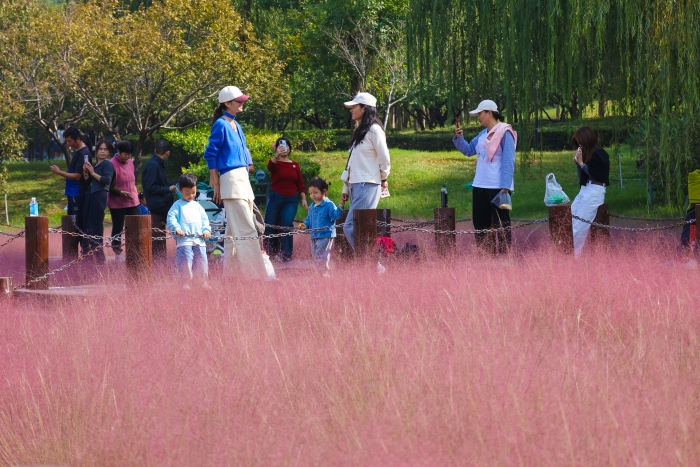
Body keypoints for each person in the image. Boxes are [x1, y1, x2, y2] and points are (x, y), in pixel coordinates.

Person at [203, 85, 268, 280]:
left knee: (233, 232)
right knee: (247, 227)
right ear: (227, 103)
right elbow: (210, 154)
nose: (242, 103)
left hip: (243, 179)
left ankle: (230, 277)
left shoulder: (236, 124)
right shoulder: (221, 124)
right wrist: (215, 182)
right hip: (230, 179)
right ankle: (257, 277)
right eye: (238, 101)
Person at [453, 99, 516, 255]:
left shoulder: (505, 132)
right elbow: (468, 150)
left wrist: (505, 186)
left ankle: (503, 258)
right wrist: (459, 138)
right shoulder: (482, 134)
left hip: (498, 187)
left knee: (501, 224)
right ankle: (485, 258)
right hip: (479, 185)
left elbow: (509, 160)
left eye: (480, 113)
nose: (478, 117)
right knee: (481, 224)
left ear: (489, 112)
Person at [340, 92, 391, 252]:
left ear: (364, 108)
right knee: (358, 228)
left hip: (368, 185)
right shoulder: (361, 131)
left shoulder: (374, 130)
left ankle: (373, 265)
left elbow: (385, 158)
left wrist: (382, 178)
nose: (351, 110)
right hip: (357, 185)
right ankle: (372, 265)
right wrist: (346, 188)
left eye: (354, 106)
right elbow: (352, 163)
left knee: (351, 228)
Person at [264, 137, 308, 262]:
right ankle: (269, 253)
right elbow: (270, 167)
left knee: (287, 224)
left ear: (290, 148)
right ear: (277, 148)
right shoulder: (275, 163)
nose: (284, 148)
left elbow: (300, 183)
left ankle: (286, 254)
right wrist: (276, 155)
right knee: (270, 224)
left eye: (287, 146)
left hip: (291, 199)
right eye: (281, 146)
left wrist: (304, 199)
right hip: (275, 197)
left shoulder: (295, 165)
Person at [50, 127, 93, 252]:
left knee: (77, 223)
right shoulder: (77, 151)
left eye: (70, 141)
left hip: (77, 192)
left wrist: (59, 172)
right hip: (72, 192)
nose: (68, 144)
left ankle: (85, 249)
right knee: (72, 222)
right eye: (67, 141)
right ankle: (75, 251)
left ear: (78, 139)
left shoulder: (84, 153)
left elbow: (78, 176)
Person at [571, 126, 610, 258]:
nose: (580, 146)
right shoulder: (588, 154)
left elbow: (596, 174)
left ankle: (574, 257)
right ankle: (570, 254)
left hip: (595, 190)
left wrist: (582, 164)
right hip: (585, 189)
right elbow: (582, 177)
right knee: (571, 218)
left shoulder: (601, 155)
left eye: (581, 142)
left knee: (580, 225)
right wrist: (578, 164)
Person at [167, 173, 211, 287]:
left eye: (193, 192)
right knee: (185, 262)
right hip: (184, 240)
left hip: (199, 240)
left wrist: (206, 230)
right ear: (180, 190)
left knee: (202, 261)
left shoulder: (198, 206)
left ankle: (202, 283)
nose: (191, 195)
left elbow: (205, 219)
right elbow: (171, 218)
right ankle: (184, 283)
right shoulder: (177, 205)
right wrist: (176, 228)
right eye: (187, 193)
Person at [297, 177, 344, 276]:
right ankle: (324, 273)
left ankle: (320, 274)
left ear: (324, 191)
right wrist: (305, 225)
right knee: (316, 256)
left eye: (315, 192)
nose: (313, 195)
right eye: (310, 193)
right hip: (314, 235)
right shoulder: (312, 206)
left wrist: (341, 206)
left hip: (325, 234)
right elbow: (309, 219)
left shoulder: (328, 204)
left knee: (320, 256)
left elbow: (335, 215)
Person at [81, 140, 114, 264]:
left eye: (105, 149)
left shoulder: (107, 164)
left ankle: (98, 256)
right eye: (100, 149)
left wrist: (93, 173)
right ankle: (87, 253)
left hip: (100, 195)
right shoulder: (94, 164)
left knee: (95, 225)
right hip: (90, 194)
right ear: (96, 151)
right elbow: (87, 182)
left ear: (109, 152)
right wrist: (86, 173)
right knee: (87, 224)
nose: (102, 151)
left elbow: (106, 180)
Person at [142, 139, 176, 259]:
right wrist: (168, 189)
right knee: (157, 237)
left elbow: (163, 182)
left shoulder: (158, 164)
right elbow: (151, 187)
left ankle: (161, 260)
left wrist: (174, 185)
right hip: (157, 206)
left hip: (162, 205)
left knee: (160, 236)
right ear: (167, 153)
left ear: (155, 150)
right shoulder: (153, 165)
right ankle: (157, 262)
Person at [108, 140, 141, 259]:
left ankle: (135, 249)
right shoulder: (111, 164)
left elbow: (132, 180)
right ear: (118, 152)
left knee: (137, 224)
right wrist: (120, 192)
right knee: (118, 227)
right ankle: (118, 252)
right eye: (125, 154)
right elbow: (107, 184)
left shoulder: (130, 163)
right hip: (117, 203)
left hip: (132, 200)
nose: (127, 157)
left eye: (129, 154)